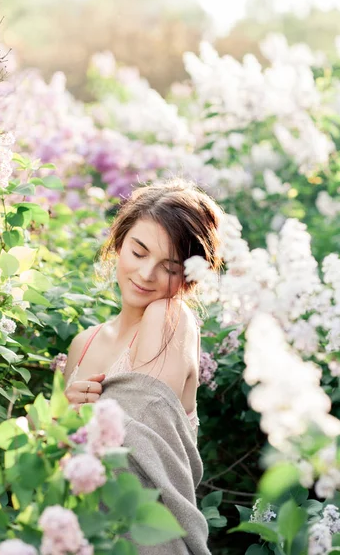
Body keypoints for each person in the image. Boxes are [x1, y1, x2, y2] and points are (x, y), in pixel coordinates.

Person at [64, 177, 222, 554]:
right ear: (118, 243)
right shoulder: (82, 345)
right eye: (138, 252)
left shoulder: (169, 317)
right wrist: (60, 417)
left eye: (169, 266)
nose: (147, 274)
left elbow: (138, 437)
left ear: (188, 277)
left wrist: (73, 420)